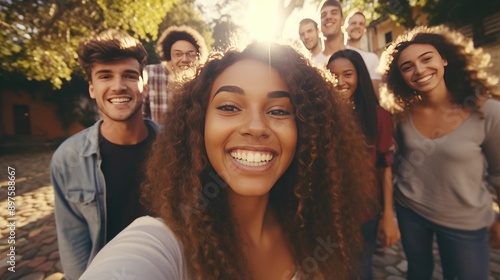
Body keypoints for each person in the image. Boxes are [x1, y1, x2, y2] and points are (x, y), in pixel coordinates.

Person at [80, 42, 376, 279]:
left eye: (278, 111)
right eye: (230, 106)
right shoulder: (162, 243)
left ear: (305, 131)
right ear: (198, 125)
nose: (256, 127)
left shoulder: (313, 228)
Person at [380, 25, 500, 280]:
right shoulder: (401, 116)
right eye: (407, 66)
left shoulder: (486, 111)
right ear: (400, 76)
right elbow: (395, 163)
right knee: (418, 273)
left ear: (444, 59)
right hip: (411, 211)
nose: (419, 70)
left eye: (426, 59)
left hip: (466, 221)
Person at [50, 29, 160, 280]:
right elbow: (74, 246)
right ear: (92, 88)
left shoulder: (175, 147)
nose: (118, 86)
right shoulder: (67, 160)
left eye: (130, 75)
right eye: (105, 76)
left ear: (145, 84)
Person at [327, 49, 400, 280]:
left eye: (347, 74)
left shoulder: (379, 116)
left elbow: (385, 166)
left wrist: (388, 215)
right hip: (328, 213)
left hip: (365, 213)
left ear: (359, 76)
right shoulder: (321, 116)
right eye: (332, 75)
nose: (340, 82)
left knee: (361, 271)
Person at [142, 25, 208, 124]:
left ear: (197, 56)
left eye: (190, 54)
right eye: (178, 54)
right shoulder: (149, 73)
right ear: (169, 55)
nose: (184, 59)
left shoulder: (201, 81)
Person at [344, 11, 382, 99]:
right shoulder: (337, 53)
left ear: (364, 30)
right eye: (353, 23)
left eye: (361, 24)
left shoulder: (372, 58)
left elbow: (378, 92)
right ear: (345, 27)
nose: (357, 26)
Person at [316, 0, 346, 67]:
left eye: (334, 13)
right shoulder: (312, 64)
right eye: (323, 15)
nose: (328, 17)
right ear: (319, 25)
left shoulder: (356, 57)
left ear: (342, 21)